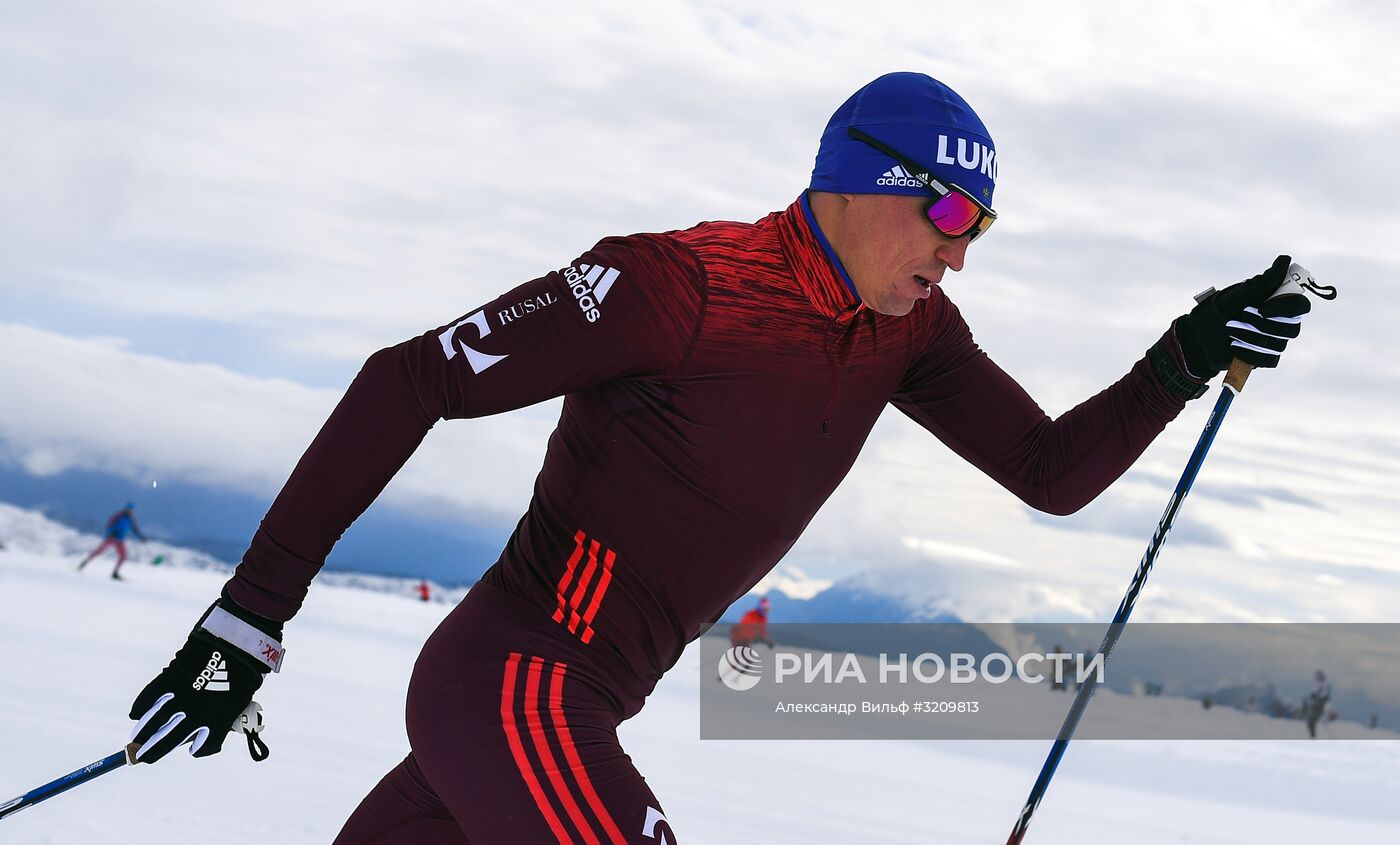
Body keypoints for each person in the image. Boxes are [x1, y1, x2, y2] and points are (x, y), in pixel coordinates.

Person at [120, 72, 1312, 843]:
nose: (960, 255)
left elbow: (1050, 471)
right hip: (514, 682)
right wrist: (243, 621)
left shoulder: (910, 334)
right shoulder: (675, 286)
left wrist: (1184, 351)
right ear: (867, 180)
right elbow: (409, 377)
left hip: (561, 715)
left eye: (981, 230)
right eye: (950, 216)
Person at [77, 502, 146, 580]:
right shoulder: (119, 515)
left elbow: (135, 529)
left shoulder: (130, 519)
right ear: (126, 509)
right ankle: (84, 563)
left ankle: (115, 573)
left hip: (120, 540)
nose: (130, 512)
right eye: (129, 510)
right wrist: (112, 532)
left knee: (123, 556)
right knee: (99, 551)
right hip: (111, 538)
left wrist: (141, 537)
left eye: (131, 510)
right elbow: (110, 524)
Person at [1306, 669, 1332, 739]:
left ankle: (1313, 738)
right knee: (1311, 721)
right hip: (1318, 705)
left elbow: (1324, 695)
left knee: (1312, 721)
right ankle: (1313, 737)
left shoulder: (1324, 684)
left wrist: (1316, 696)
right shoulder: (1322, 684)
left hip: (1320, 705)